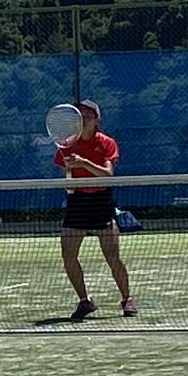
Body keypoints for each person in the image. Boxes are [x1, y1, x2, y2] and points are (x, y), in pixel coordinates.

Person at [53, 100, 137, 321]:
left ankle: (127, 299)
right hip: (77, 202)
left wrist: (84, 163)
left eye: (87, 117)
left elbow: (108, 175)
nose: (83, 121)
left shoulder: (106, 143)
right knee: (68, 256)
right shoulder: (66, 145)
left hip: (100, 200)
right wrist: (69, 171)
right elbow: (68, 184)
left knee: (112, 256)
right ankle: (85, 301)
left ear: (96, 120)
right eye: (79, 117)